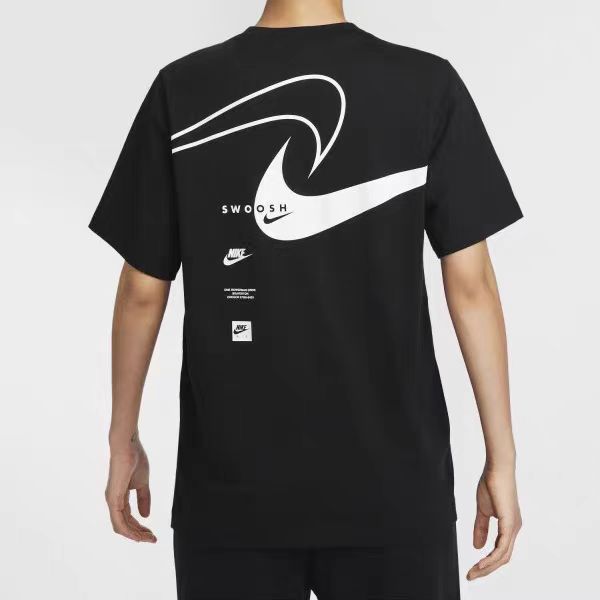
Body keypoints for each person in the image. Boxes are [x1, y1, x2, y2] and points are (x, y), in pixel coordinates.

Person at [90, 0, 523, 597]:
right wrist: (502, 459)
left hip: (231, 494)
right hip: (393, 489)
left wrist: (122, 439)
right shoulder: (425, 84)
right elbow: (471, 286)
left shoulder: (184, 88)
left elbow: (142, 289)